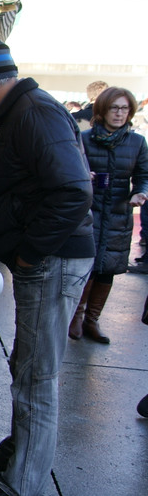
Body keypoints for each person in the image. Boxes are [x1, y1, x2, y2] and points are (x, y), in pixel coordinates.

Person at [0, 35, 94, 496]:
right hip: (47, 258)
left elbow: (73, 191)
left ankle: (24, 487)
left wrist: (31, 253)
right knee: (28, 363)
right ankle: (19, 453)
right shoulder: (24, 113)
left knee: (36, 374)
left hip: (53, 260)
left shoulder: (35, 114)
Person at [68, 87, 148, 343]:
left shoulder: (137, 142)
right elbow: (71, 171)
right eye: (114, 108)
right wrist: (84, 176)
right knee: (87, 267)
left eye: (125, 108)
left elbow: (143, 175)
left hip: (118, 214)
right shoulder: (84, 138)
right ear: (102, 110)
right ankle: (76, 316)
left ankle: (92, 320)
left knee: (108, 269)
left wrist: (140, 192)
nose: (120, 113)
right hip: (89, 213)